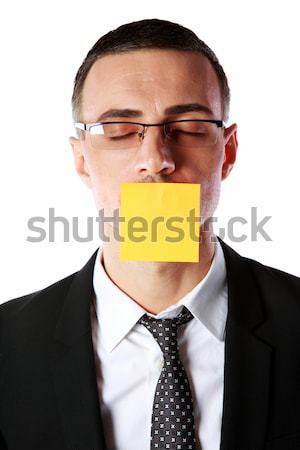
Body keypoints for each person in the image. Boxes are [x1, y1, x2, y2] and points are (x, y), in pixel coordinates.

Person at [1, 18, 300, 450]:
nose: (155, 159)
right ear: (82, 160)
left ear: (227, 152)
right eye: (119, 130)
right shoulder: (6, 348)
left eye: (189, 127)